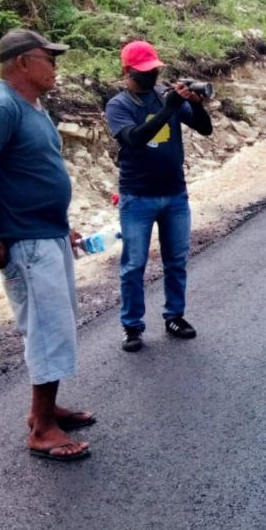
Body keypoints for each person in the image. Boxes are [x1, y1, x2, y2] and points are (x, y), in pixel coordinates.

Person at [0, 29, 93, 462]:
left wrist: (61, 225)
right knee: (47, 329)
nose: (56, 66)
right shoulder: (0, 107)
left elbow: (32, 174)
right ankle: (42, 428)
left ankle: (46, 411)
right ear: (22, 63)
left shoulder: (32, 106)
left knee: (58, 324)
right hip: (24, 241)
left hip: (46, 233)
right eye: (49, 58)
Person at [105, 41, 213, 352]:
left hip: (175, 193)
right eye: (145, 72)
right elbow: (135, 140)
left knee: (176, 261)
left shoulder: (165, 95)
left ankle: (174, 316)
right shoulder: (119, 106)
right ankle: (132, 326)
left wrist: (196, 103)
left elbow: (204, 129)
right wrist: (170, 106)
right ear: (127, 72)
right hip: (137, 197)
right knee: (133, 265)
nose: (152, 77)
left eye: (155, 71)